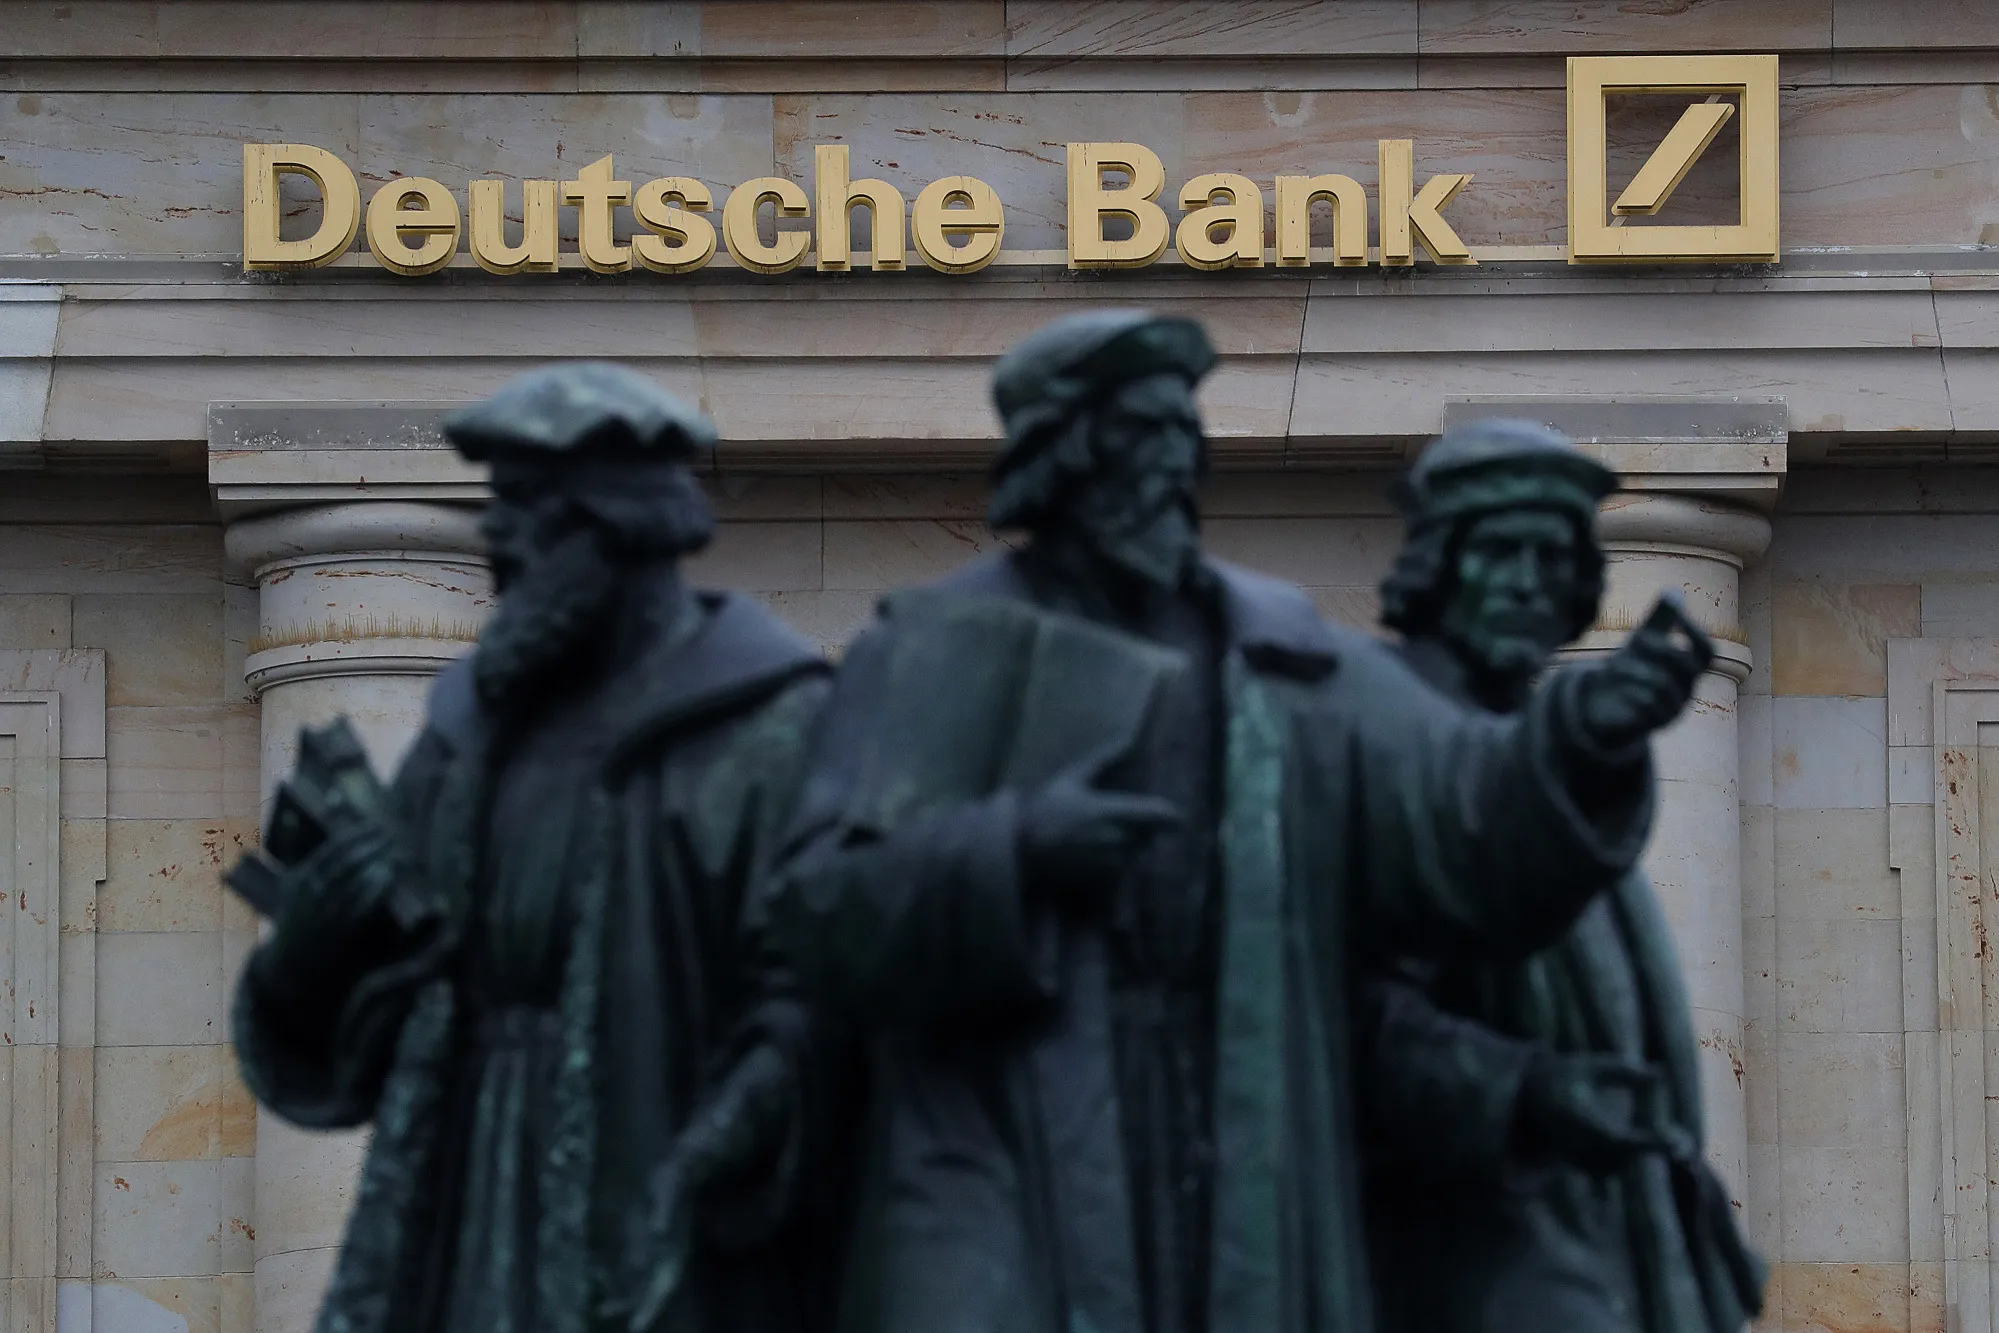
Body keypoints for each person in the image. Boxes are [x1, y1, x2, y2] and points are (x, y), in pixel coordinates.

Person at [766, 309, 1715, 1333]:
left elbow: (1458, 823)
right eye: (1138, 436)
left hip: (1234, 1127)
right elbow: (820, 912)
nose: (1170, 469)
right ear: (1062, 457)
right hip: (999, 1143)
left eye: (1183, 438)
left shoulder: (1281, 652)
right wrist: (1018, 848)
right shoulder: (938, 648)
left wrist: (1582, 738)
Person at [229, 363, 847, 1333]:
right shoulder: (468, 734)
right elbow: (383, 1007)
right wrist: (308, 956)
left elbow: (827, 1001)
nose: (498, 538)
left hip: (660, 1179)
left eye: (528, 510)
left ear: (620, 530)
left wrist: (709, 1155)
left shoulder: (770, 728)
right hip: (464, 1192)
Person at [1359, 418, 1765, 1333]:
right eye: (1498, 551)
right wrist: (1528, 1090)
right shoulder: (1371, 734)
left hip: (1597, 1226)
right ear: (1435, 560)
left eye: (1551, 558)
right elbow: (1337, 1004)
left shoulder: (1517, 753)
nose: (1527, 584)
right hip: (1453, 1245)